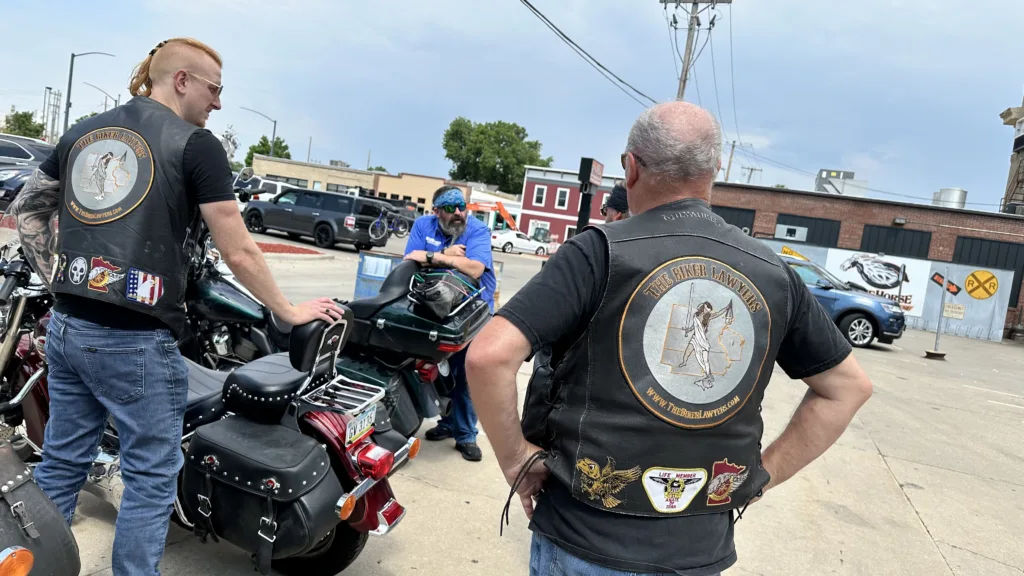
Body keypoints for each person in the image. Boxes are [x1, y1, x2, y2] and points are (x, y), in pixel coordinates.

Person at [465, 101, 873, 575]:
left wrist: (516, 460)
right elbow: (848, 388)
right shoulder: (775, 273)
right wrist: (760, 477)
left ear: (631, 168)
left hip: (586, 537)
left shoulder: (598, 252)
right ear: (715, 169)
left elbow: (489, 356)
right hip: (700, 549)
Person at [7, 38, 343, 576]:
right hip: (135, 339)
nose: (218, 103)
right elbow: (238, 247)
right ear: (182, 80)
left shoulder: (83, 131)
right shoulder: (196, 144)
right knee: (150, 476)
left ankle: (37, 566)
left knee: (63, 460)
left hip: (68, 326)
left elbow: (28, 208)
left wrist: (60, 279)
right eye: (215, 89)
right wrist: (287, 310)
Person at [403, 186, 496, 461]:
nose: (458, 212)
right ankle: (446, 423)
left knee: (465, 374)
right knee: (438, 371)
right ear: (436, 211)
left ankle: (466, 434)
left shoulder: (477, 230)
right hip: (435, 307)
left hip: (472, 310)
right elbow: (409, 260)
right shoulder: (423, 225)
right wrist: (449, 253)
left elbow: (476, 268)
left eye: (461, 207)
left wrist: (437, 257)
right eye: (450, 207)